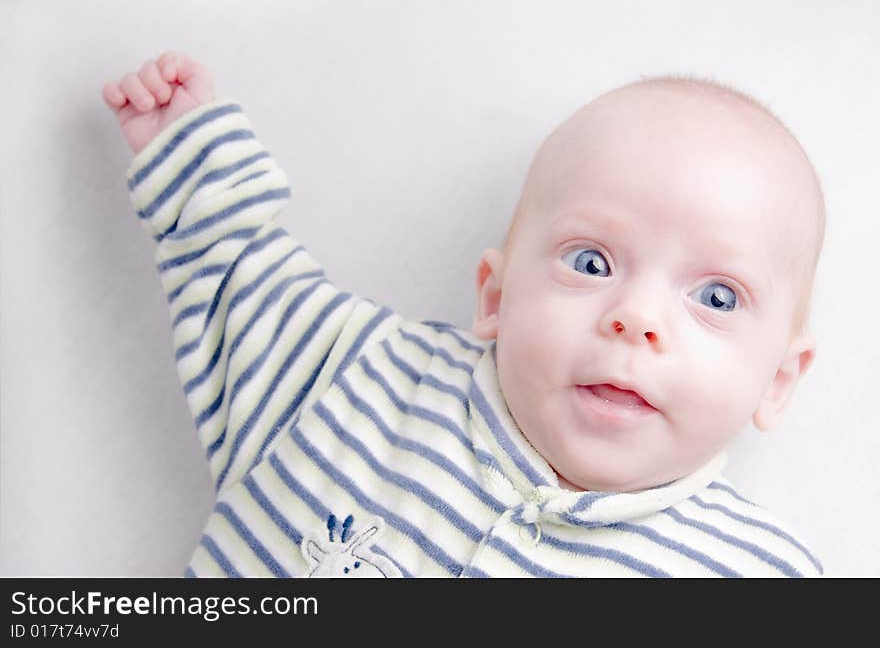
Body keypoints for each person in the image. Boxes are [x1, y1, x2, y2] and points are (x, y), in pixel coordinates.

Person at [102, 51, 824, 577]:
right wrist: (188, 152)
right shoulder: (361, 373)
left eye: (717, 298)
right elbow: (239, 275)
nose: (636, 319)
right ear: (496, 298)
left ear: (778, 381)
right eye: (591, 262)